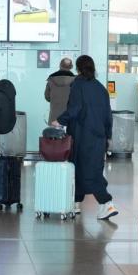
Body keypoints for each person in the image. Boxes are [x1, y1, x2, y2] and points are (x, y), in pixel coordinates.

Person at [53, 54, 118, 220]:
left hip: (82, 135)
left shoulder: (78, 85)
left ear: (78, 69)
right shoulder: (101, 88)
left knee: (89, 171)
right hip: (99, 137)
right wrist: (108, 136)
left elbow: (75, 108)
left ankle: (107, 203)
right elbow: (107, 115)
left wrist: (59, 120)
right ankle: (75, 203)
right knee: (82, 169)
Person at [45, 57, 75, 123]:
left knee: (53, 133)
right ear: (71, 67)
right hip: (70, 119)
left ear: (60, 65)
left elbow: (47, 97)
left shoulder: (51, 79)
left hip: (54, 118)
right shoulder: (75, 81)